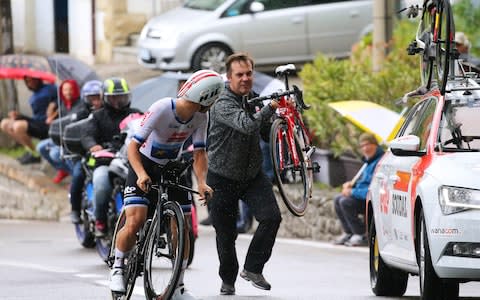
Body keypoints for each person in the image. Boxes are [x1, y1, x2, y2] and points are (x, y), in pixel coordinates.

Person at [109, 70, 224, 300]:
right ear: (205, 100)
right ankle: (118, 267)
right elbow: (133, 146)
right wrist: (141, 174)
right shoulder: (163, 107)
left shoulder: (201, 117)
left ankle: (178, 287)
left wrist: (202, 182)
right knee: (136, 221)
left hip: (172, 166)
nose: (211, 106)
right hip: (143, 163)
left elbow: (200, 153)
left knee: (182, 230)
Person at [206, 52, 281, 296]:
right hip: (221, 177)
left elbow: (263, 130)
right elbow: (247, 124)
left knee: (271, 217)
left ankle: (253, 268)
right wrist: (270, 108)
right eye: (240, 75)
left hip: (251, 175)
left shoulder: (254, 99)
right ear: (229, 78)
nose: (246, 78)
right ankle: (227, 280)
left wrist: (281, 120)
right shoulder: (222, 102)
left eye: (249, 73)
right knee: (226, 234)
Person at [81, 77, 140, 236]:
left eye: (122, 97)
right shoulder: (97, 116)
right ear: (106, 97)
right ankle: (100, 220)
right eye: (114, 97)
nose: (118, 101)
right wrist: (93, 145)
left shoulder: (136, 114)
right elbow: (87, 135)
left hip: (131, 160)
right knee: (101, 183)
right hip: (105, 159)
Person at [333, 132, 384, 247]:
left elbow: (372, 190)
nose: (365, 148)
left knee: (345, 202)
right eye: (362, 146)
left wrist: (352, 192)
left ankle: (361, 234)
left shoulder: (379, 163)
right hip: (361, 196)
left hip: (370, 199)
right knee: (337, 199)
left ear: (375, 145)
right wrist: (351, 186)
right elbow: (363, 183)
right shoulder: (368, 162)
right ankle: (349, 232)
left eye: (368, 144)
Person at [68, 80, 104, 223]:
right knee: (78, 175)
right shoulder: (79, 114)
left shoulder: (108, 112)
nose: (95, 101)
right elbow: (81, 135)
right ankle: (75, 209)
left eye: (98, 97)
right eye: (91, 98)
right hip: (83, 153)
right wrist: (90, 146)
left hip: (109, 153)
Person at [0, 76, 57, 164]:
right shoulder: (33, 97)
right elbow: (36, 118)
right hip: (38, 123)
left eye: (32, 80)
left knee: (18, 126)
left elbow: (63, 100)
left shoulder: (50, 88)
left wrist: (54, 104)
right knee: (5, 124)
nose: (30, 83)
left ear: (38, 79)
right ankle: (30, 151)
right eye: (27, 81)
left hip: (48, 125)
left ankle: (36, 155)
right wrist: (19, 116)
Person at [36, 79, 82, 183]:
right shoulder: (63, 104)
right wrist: (51, 113)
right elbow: (53, 119)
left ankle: (75, 178)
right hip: (59, 137)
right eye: (65, 90)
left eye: (70, 89)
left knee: (55, 154)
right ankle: (63, 170)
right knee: (41, 147)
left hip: (70, 140)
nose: (68, 92)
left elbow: (72, 119)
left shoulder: (80, 105)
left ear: (75, 90)